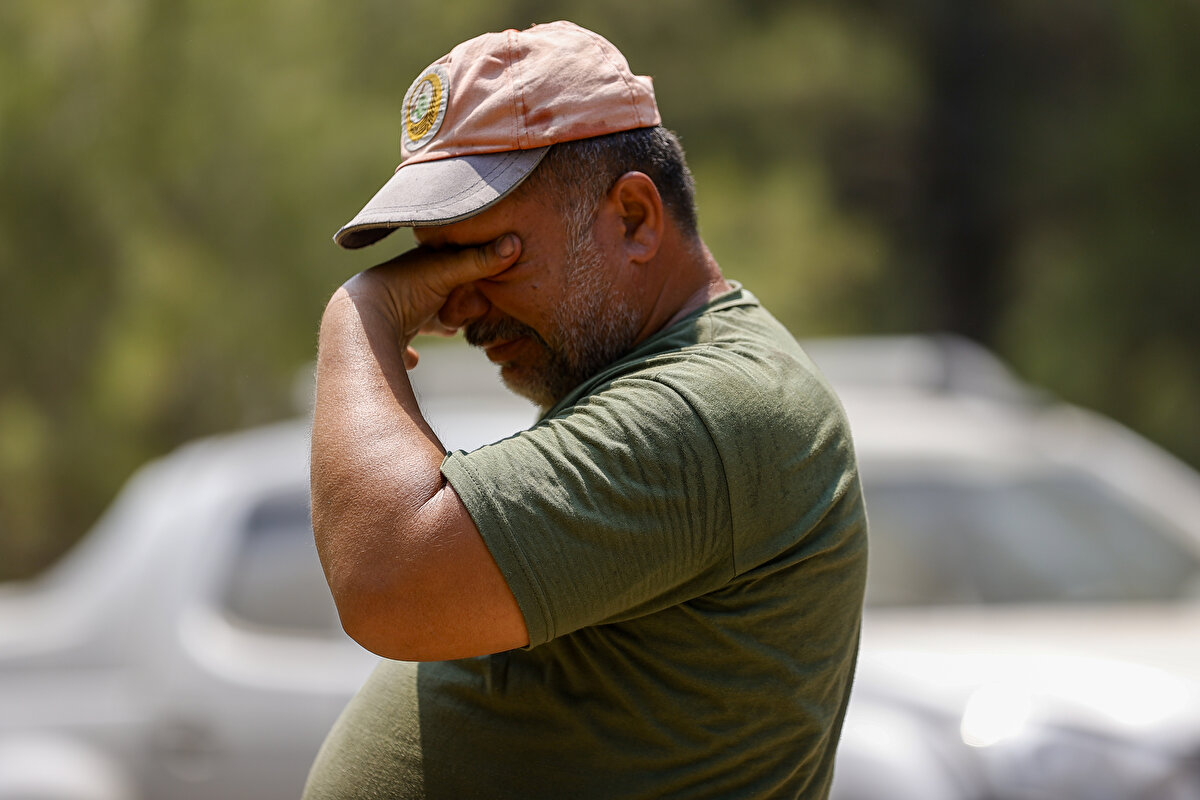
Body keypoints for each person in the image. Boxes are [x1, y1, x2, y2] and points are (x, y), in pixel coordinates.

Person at [305, 20, 867, 800]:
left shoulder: (712, 409)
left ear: (634, 218)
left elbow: (387, 580)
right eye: (437, 260)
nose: (458, 304)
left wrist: (358, 320)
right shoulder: (648, 383)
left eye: (490, 253)